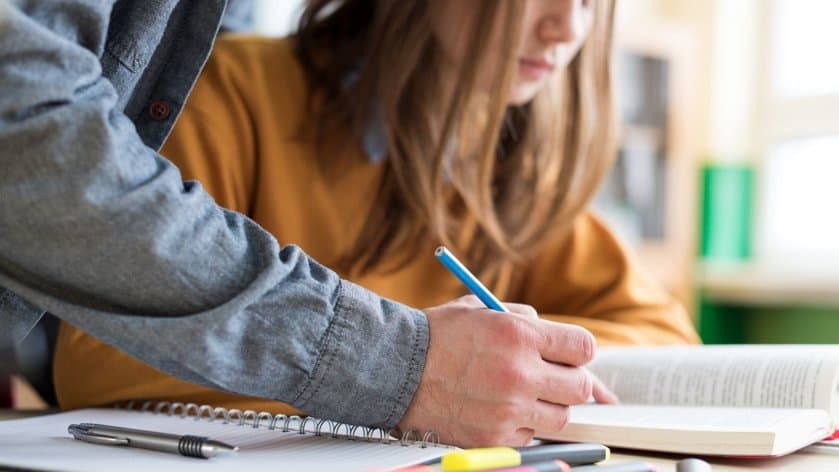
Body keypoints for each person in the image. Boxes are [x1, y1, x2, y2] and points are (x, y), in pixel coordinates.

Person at [52, 0, 699, 446]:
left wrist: (502, 366)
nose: (564, 28)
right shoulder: (232, 94)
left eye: (590, 2)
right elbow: (102, 359)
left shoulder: (501, 164)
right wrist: (405, 365)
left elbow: (666, 334)